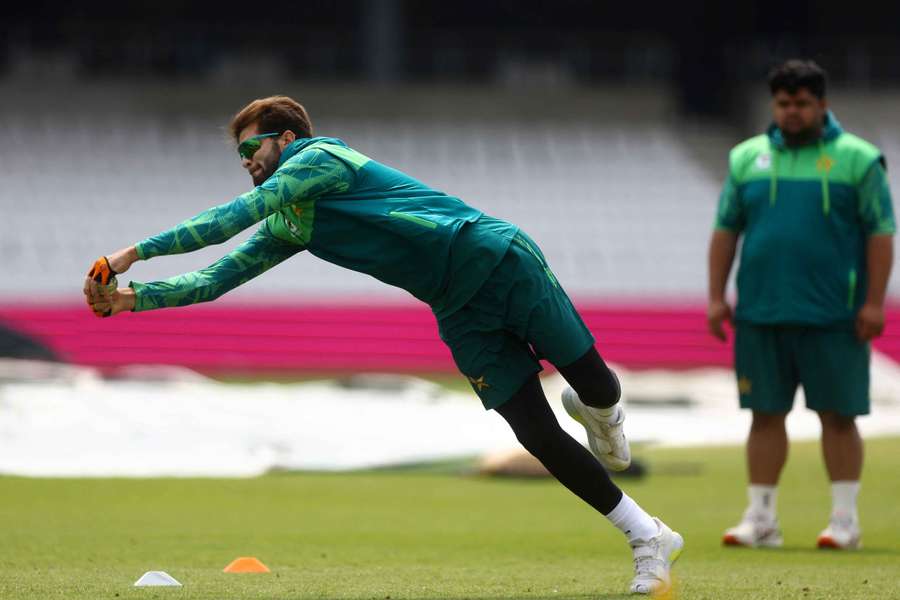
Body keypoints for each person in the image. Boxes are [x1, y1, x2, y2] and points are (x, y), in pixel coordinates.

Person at [83, 95, 682, 594]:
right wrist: (132, 298)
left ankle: (600, 410)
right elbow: (216, 279)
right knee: (533, 432)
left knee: (596, 384)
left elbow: (236, 215)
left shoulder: (320, 157)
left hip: (495, 258)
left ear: (285, 138)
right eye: (238, 153)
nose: (244, 161)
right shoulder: (291, 220)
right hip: (456, 304)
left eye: (249, 148)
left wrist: (130, 254)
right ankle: (646, 536)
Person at [708, 60, 895, 550]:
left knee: (838, 416)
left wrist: (874, 302)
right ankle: (762, 519)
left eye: (802, 103)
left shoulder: (859, 159)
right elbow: (726, 230)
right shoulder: (746, 158)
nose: (792, 112)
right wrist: (715, 296)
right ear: (774, 105)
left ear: (822, 105)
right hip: (760, 312)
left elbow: (881, 232)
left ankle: (844, 521)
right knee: (763, 414)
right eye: (783, 103)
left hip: (835, 313)